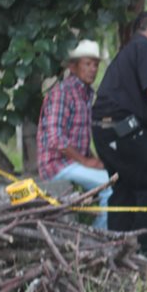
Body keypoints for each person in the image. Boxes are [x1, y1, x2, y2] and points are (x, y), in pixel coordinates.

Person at [91, 11, 147, 256]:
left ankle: (118, 248)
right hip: (123, 128)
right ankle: (144, 249)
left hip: (104, 130)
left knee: (123, 187)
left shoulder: (130, 50)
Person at [36, 39, 112, 228]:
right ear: (73, 66)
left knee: (116, 174)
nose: (93, 69)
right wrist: (86, 162)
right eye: (87, 64)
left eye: (95, 64)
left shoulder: (86, 93)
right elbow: (56, 139)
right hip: (56, 165)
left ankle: (99, 231)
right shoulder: (63, 92)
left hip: (73, 162)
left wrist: (93, 160)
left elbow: (81, 140)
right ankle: (98, 239)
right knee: (110, 187)